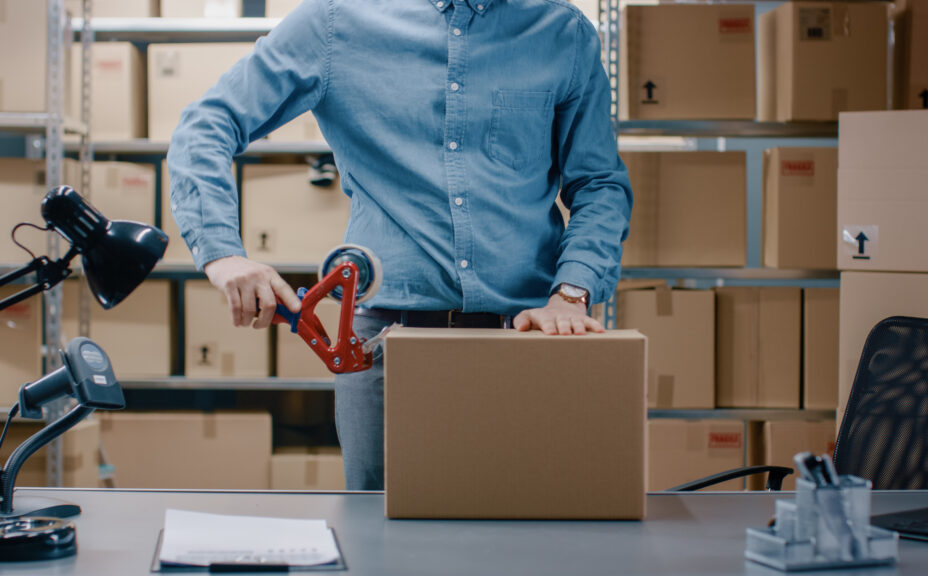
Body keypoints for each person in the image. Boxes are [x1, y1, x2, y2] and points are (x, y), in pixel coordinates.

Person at [167, 0, 632, 491]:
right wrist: (223, 254)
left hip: (528, 344)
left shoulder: (562, 32)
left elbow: (600, 183)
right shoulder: (334, 23)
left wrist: (572, 291)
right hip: (385, 352)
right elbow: (207, 125)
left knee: (534, 544)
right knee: (383, 546)